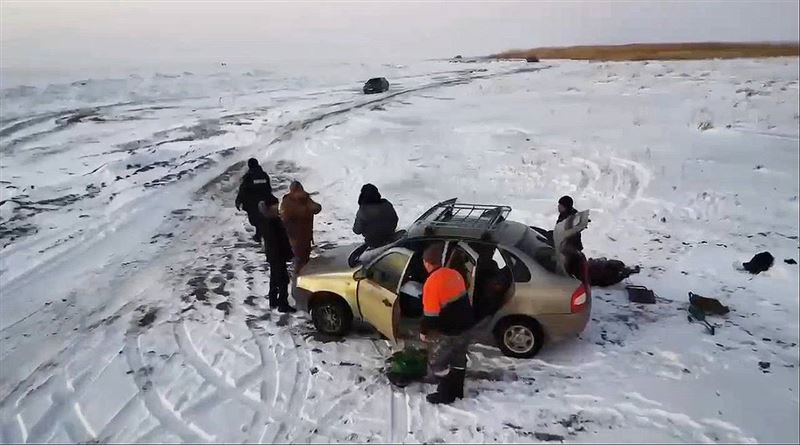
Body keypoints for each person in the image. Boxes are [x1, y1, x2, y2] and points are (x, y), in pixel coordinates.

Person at [420, 242, 475, 404]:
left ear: (427, 263)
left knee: (439, 362)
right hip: (466, 324)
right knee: (459, 358)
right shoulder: (454, 274)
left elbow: (431, 316)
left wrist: (424, 332)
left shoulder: (432, 282)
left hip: (449, 329)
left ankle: (445, 393)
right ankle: (457, 391)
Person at [257, 194, 296, 313]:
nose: (277, 208)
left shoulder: (267, 218)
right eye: (275, 207)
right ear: (269, 208)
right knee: (283, 279)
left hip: (274, 255)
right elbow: (278, 241)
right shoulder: (271, 221)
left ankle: (273, 300)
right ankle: (283, 304)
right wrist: (288, 254)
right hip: (277, 255)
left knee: (274, 278)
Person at [280, 181, 322, 274]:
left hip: (306, 234)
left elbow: (317, 208)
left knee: (305, 257)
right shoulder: (287, 201)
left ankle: (303, 276)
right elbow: (286, 215)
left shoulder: (305, 199)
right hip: (294, 235)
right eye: (297, 191)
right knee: (299, 259)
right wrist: (307, 209)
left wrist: (313, 207)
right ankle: (297, 279)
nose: (300, 193)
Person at [235, 158, 272, 243]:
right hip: (264, 202)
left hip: (252, 203)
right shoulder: (264, 175)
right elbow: (268, 188)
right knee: (262, 219)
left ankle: (260, 235)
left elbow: (243, 190)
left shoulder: (248, 176)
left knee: (255, 220)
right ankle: (261, 234)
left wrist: (238, 201)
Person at [353, 184, 399, 249]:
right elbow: (395, 219)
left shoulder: (363, 210)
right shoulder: (386, 204)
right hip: (391, 238)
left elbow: (357, 230)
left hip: (373, 244)